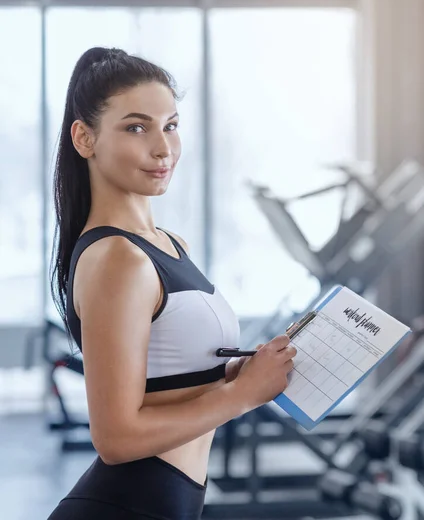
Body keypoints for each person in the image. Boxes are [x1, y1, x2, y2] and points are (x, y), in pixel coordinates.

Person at [47, 46, 297, 520]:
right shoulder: (116, 258)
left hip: (172, 503)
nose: (163, 148)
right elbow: (116, 439)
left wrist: (238, 377)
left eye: (171, 125)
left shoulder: (166, 243)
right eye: (136, 127)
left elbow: (170, 379)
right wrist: (242, 396)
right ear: (84, 138)